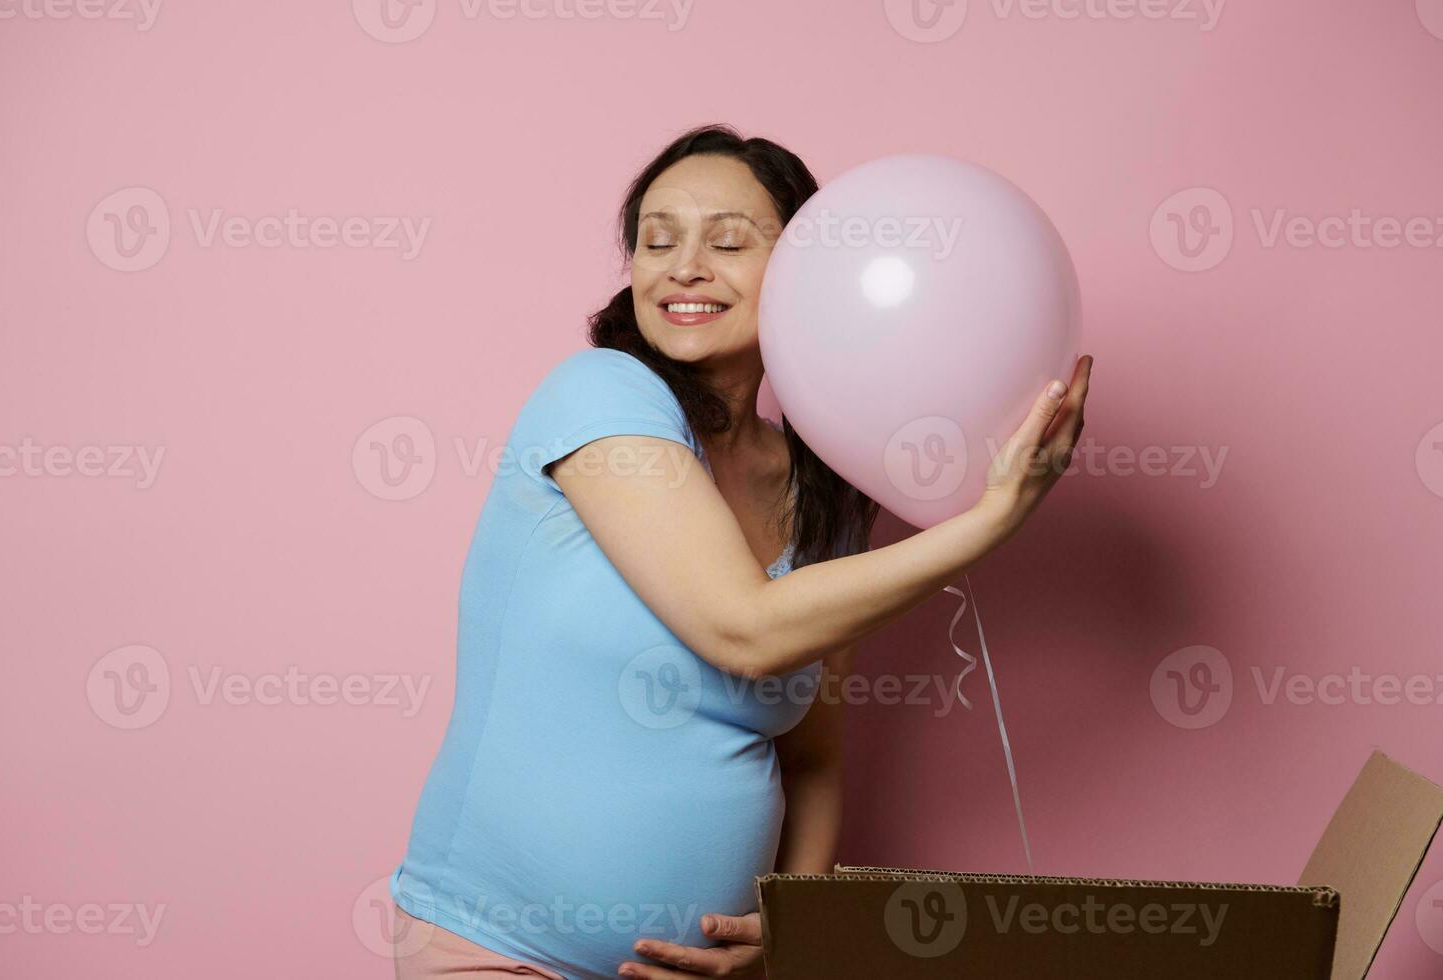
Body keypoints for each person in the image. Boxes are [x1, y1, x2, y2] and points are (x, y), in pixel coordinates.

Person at [388, 124, 1093, 980]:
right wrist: (988, 521)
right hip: (495, 950)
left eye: (727, 241)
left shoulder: (825, 483)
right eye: (656, 241)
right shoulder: (599, 395)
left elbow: (813, 754)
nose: (683, 267)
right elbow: (742, 629)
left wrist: (791, 931)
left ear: (807, 272)